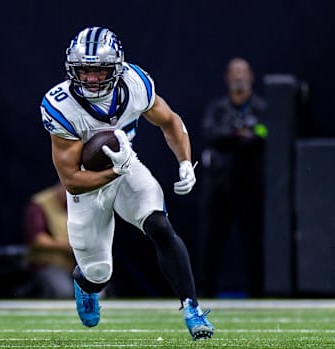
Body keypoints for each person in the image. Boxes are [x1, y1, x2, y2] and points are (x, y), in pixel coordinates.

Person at [40, 26, 214, 340]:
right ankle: (86, 285)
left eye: (99, 70)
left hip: (127, 167)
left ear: (117, 69)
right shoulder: (60, 105)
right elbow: (72, 181)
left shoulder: (135, 84)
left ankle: (192, 307)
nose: (91, 79)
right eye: (84, 71)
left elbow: (170, 121)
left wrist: (185, 161)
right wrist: (115, 172)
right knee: (98, 273)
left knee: (160, 226)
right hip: (87, 186)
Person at [199, 57, 267, 298]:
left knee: (252, 240)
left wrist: (249, 134)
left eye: (243, 72)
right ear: (227, 78)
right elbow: (212, 133)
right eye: (234, 72)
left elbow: (264, 132)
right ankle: (205, 292)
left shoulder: (261, 106)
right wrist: (239, 134)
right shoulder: (218, 108)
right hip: (220, 183)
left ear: (251, 76)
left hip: (249, 184)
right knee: (211, 240)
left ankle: (257, 292)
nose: (239, 76)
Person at [22, 181, 75, 298]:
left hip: (75, 264)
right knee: (63, 291)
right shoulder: (40, 203)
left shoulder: (79, 203)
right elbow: (37, 239)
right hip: (47, 263)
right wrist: (67, 246)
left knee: (96, 292)